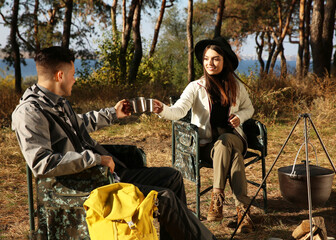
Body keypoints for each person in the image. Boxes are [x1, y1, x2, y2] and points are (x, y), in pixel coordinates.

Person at [11, 46, 216, 240]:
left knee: (172, 177)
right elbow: (41, 163)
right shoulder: (30, 113)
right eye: (72, 74)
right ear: (59, 76)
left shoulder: (57, 102)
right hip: (85, 184)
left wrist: (112, 113)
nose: (75, 79)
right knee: (165, 198)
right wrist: (95, 159)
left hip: (103, 174)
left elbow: (79, 124)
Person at [153, 36, 255, 233]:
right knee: (232, 155)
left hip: (234, 137)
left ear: (224, 61)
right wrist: (162, 110)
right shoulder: (196, 87)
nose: (210, 63)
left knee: (226, 141)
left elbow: (249, 109)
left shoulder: (235, 85)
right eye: (207, 59)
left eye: (216, 59)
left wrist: (240, 117)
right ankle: (244, 214)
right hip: (208, 146)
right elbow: (179, 111)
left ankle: (217, 199)